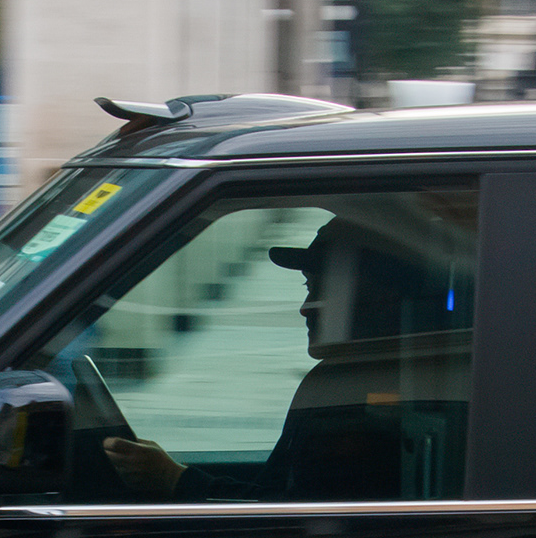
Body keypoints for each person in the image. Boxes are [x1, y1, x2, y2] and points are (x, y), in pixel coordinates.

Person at [101, 215, 465, 503]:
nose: (306, 308)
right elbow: (275, 497)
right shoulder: (334, 379)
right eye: (309, 288)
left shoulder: (369, 399)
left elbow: (288, 521)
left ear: (384, 298)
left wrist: (176, 480)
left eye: (324, 290)